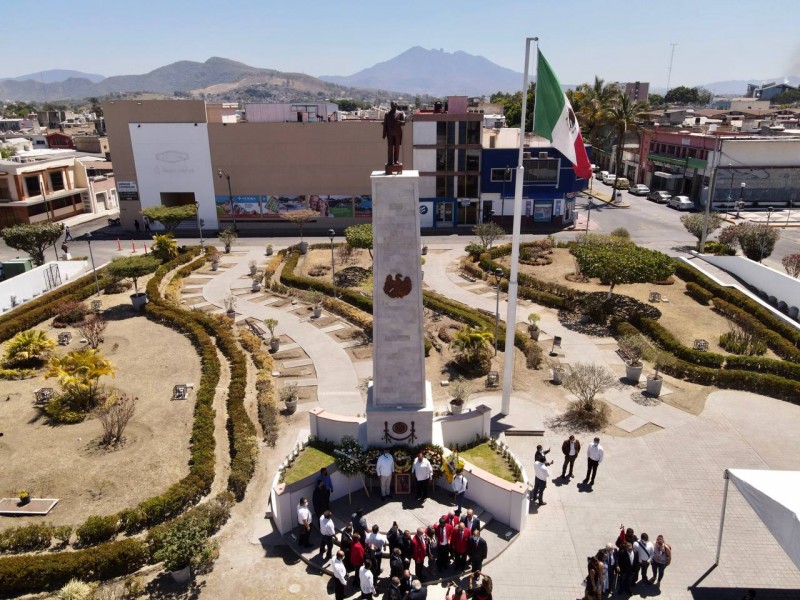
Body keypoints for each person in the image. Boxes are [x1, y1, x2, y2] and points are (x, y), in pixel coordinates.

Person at [382, 101, 406, 167]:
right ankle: (390, 161)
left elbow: (404, 123)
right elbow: (385, 124)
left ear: (396, 106)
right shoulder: (387, 114)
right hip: (389, 133)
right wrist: (384, 133)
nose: (393, 106)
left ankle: (396, 160)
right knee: (390, 147)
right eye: (392, 105)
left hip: (398, 133)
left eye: (394, 105)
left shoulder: (400, 113)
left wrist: (399, 122)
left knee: (397, 147)